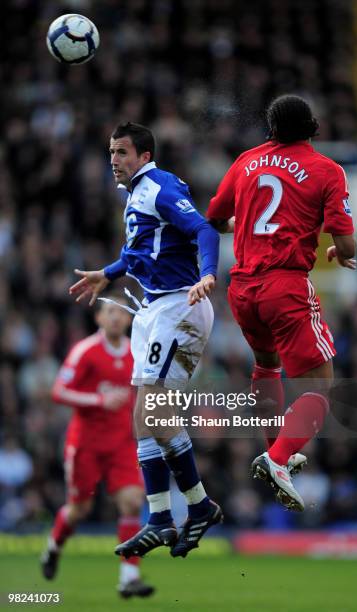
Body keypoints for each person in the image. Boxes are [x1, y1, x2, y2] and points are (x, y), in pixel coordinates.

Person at [69, 122, 222, 559]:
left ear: (144, 155)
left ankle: (176, 514)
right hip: (153, 308)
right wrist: (109, 273)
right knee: (145, 415)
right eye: (110, 152)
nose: (113, 160)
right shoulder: (136, 194)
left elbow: (204, 231)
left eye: (121, 152)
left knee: (152, 409)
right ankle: (187, 510)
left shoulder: (157, 185)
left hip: (180, 305)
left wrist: (209, 273)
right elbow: (140, 251)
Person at [207, 94, 356, 512]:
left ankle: (278, 452)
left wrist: (247, 226)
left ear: (270, 128)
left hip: (241, 287)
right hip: (284, 286)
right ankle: (275, 459)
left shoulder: (247, 160)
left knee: (266, 365)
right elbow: (346, 242)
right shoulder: (327, 170)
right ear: (313, 126)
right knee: (319, 386)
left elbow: (215, 218)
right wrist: (338, 252)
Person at [40, 297, 154, 599]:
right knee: (80, 510)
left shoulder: (137, 351)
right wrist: (98, 400)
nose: (116, 318)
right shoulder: (85, 351)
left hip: (121, 444)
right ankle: (54, 546)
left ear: (129, 320)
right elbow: (58, 391)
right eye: (110, 312)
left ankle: (129, 577)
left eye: (121, 313)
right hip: (86, 444)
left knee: (131, 502)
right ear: (99, 318)